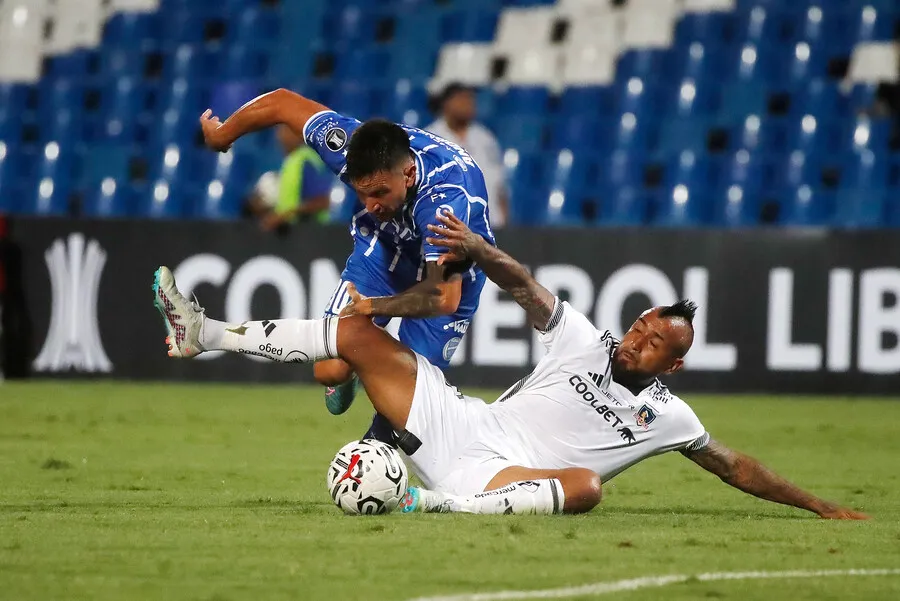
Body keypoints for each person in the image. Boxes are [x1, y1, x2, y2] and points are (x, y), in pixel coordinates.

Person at [151, 211, 868, 519]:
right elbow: (524, 285)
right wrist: (480, 246)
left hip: (501, 479)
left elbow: (734, 464)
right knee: (359, 330)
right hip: (461, 426)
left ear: (671, 368)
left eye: (658, 342)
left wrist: (822, 506)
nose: (641, 335)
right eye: (645, 321)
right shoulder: (581, 336)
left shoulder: (668, 417)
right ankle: (204, 331)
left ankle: (423, 505)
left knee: (586, 488)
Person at [198, 89, 496, 440]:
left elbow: (441, 298)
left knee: (409, 404)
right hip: (385, 250)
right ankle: (354, 372)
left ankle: (371, 457)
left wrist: (372, 307)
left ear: (409, 174)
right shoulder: (346, 144)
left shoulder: (445, 203)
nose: (370, 205)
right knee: (328, 371)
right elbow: (282, 103)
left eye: (381, 193)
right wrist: (224, 133)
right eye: (361, 193)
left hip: (450, 273)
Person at [427, 84, 509, 227]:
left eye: (471, 99)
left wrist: (504, 219)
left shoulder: (485, 138)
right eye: (462, 99)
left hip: (491, 226)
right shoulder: (430, 139)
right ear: (446, 103)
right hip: (450, 227)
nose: (469, 104)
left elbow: (500, 186)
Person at [245, 124, 333, 232]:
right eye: (279, 131)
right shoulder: (290, 161)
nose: (280, 136)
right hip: (293, 236)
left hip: (311, 234)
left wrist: (286, 215)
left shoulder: (305, 161)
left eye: (286, 131)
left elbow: (323, 201)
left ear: (299, 135)